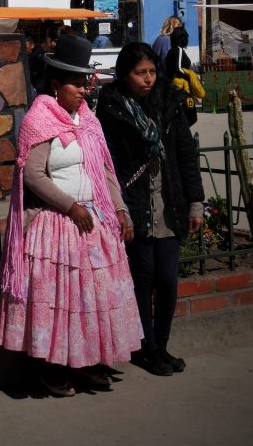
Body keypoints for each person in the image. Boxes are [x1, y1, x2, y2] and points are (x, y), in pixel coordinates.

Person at [0, 35, 142, 397]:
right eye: (77, 83)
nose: (84, 89)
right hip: (58, 224)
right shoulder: (39, 119)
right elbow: (33, 175)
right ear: (56, 84)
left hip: (93, 222)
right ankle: (52, 370)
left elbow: (104, 171)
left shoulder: (88, 120)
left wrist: (121, 210)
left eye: (85, 82)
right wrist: (70, 207)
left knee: (92, 301)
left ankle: (89, 364)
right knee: (60, 304)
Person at [97, 42, 204, 377]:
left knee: (169, 279)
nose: (147, 79)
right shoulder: (112, 109)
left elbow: (186, 155)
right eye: (139, 73)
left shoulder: (170, 103)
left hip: (169, 201)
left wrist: (196, 202)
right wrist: (120, 209)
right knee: (143, 277)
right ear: (124, 74)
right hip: (136, 203)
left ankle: (162, 344)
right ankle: (148, 349)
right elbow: (108, 162)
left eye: (152, 72)